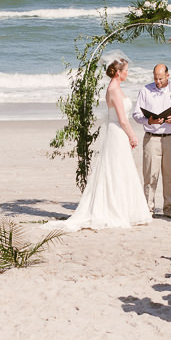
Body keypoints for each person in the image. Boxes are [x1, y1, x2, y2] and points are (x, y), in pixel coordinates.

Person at [45, 53, 150, 231]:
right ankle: (115, 209)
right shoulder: (114, 90)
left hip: (117, 132)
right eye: (125, 71)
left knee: (120, 169)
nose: (127, 73)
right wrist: (132, 135)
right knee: (116, 169)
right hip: (117, 132)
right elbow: (122, 119)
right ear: (118, 72)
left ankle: (124, 208)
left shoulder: (114, 87)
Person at [133, 63, 171, 219]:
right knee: (150, 174)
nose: (158, 82)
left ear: (167, 76)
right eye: (155, 78)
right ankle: (147, 207)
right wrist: (149, 120)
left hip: (170, 138)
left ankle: (170, 208)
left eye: (161, 78)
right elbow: (136, 114)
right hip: (152, 138)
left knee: (170, 175)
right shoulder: (146, 90)